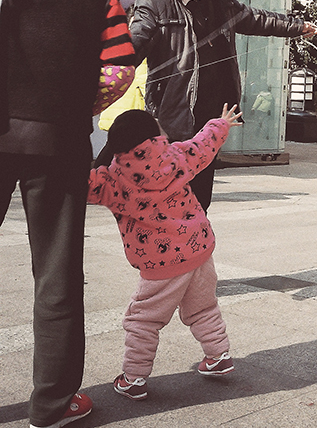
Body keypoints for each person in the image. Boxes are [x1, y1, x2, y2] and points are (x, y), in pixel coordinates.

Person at [0, 0, 113, 428]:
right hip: (61, 141)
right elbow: (119, 69)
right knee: (56, 270)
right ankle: (52, 405)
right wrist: (81, 103)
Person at [129, 0, 317, 211]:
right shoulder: (153, 3)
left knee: (200, 201)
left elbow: (253, 19)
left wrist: (297, 27)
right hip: (173, 121)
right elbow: (135, 42)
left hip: (212, 121)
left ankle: (197, 239)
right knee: (168, 201)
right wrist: (113, 61)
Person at [87, 104, 242, 398]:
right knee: (203, 306)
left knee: (143, 319)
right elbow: (203, 145)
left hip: (161, 263)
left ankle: (134, 378)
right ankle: (219, 356)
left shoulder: (114, 181)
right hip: (199, 249)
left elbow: (82, 184)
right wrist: (221, 124)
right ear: (155, 137)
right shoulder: (176, 156)